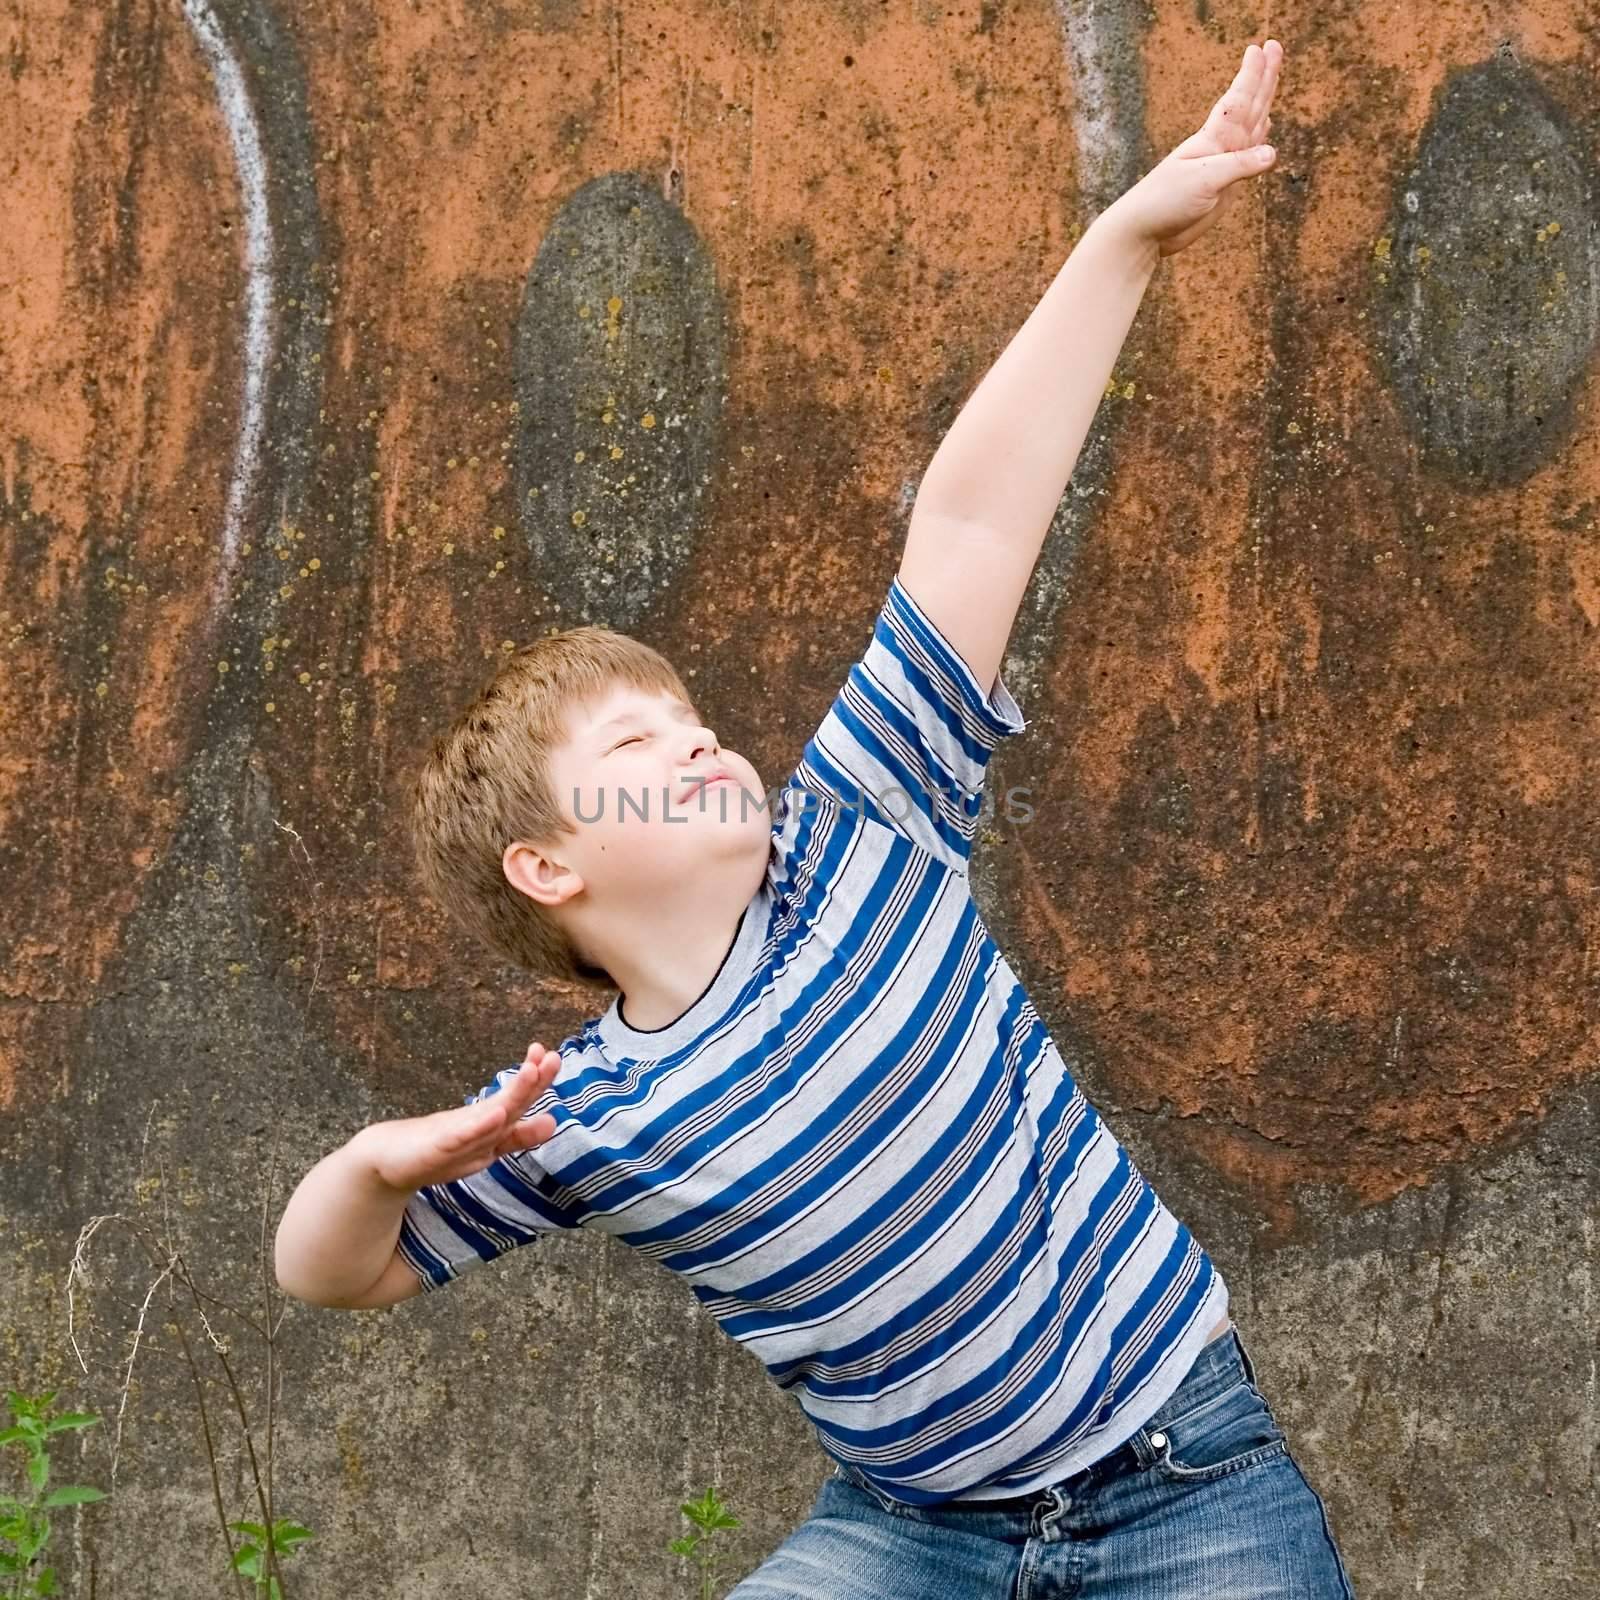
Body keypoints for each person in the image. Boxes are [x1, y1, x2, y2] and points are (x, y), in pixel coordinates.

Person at [276, 37, 1356, 1597]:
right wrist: (382, 1163)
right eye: (647, 743)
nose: (708, 745)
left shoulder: (865, 834)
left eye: (702, 721)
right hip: (911, 1539)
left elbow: (973, 519)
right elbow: (332, 1275)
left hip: (1187, 1487)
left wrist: (1127, 238)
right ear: (549, 865)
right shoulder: (578, 1115)